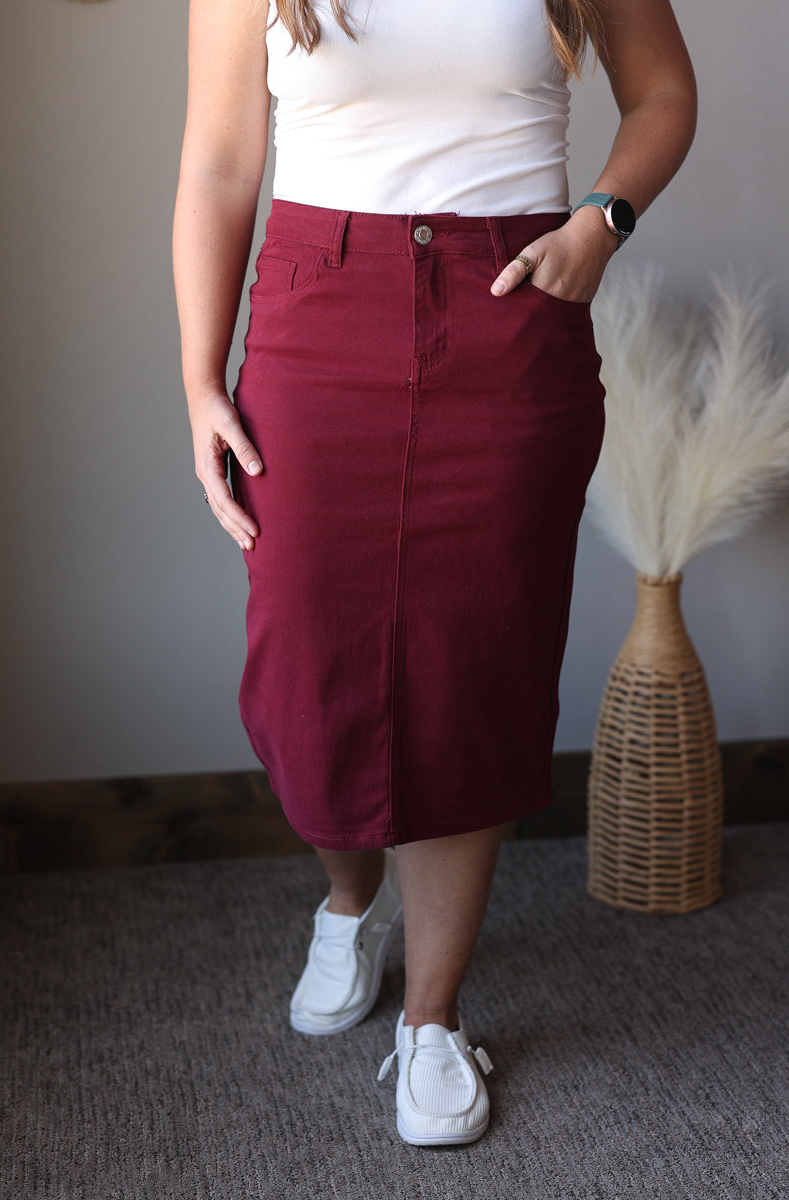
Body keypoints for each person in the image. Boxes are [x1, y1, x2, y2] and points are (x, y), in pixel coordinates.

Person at [173, 0, 696, 1146]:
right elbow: (218, 162)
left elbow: (662, 95)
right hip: (322, 308)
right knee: (308, 674)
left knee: (470, 671)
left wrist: (598, 223)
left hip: (509, 306)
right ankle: (350, 904)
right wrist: (200, 380)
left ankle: (431, 1018)